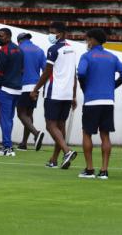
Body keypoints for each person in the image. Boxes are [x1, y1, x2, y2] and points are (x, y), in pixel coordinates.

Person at [77, 29, 122, 179]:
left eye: (88, 40)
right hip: (108, 101)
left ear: (93, 40)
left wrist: (84, 86)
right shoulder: (112, 57)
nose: (87, 43)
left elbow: (81, 73)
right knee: (105, 135)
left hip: (92, 100)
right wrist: (113, 85)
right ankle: (104, 170)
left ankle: (89, 169)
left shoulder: (86, 56)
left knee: (87, 133)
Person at [30, 21, 78, 169]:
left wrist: (36, 89)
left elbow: (47, 72)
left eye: (53, 32)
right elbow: (74, 75)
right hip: (68, 93)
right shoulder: (72, 50)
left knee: (51, 125)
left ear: (62, 33)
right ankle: (54, 159)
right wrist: (74, 95)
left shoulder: (53, 49)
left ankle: (67, 151)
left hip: (54, 92)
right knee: (60, 126)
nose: (51, 35)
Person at [0, 28, 24, 157]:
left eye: (1, 36)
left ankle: (7, 147)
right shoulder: (19, 50)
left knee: (4, 119)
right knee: (9, 119)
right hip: (17, 89)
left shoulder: (3, 51)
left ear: (8, 37)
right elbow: (22, 70)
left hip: (4, 89)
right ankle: (7, 143)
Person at [16, 32, 46, 152]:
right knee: (29, 114)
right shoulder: (39, 50)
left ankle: (36, 133)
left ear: (19, 40)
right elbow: (45, 69)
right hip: (36, 85)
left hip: (23, 85)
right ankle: (24, 143)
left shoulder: (18, 49)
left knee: (21, 114)